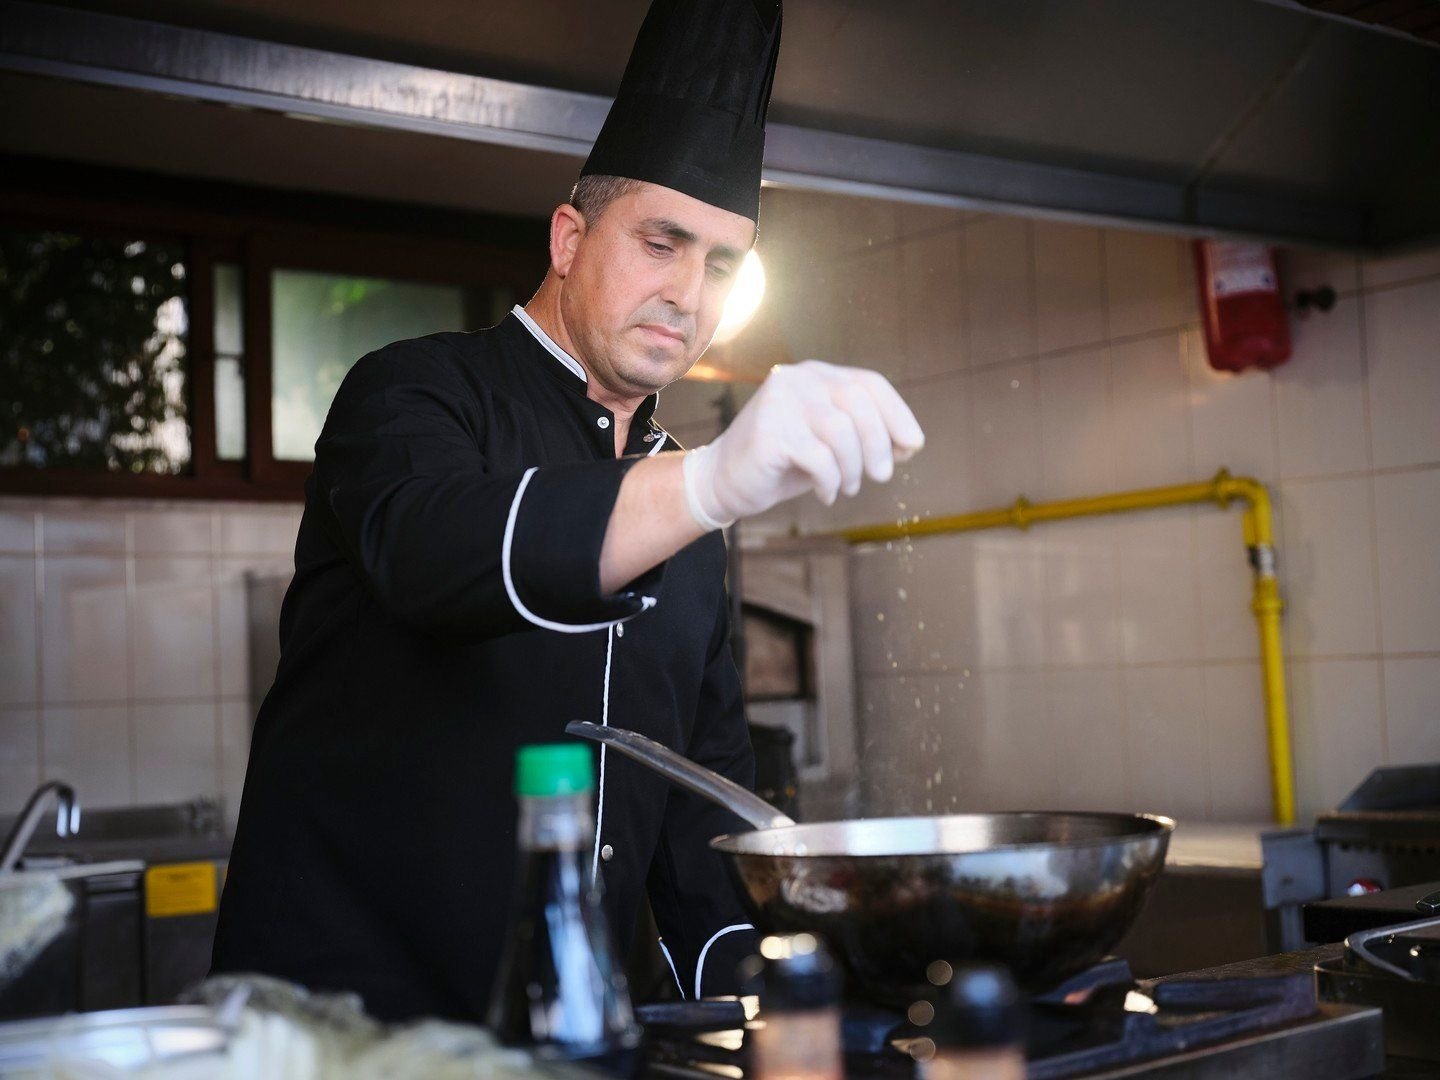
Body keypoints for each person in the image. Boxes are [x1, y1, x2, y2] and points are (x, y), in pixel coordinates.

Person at [211, 0, 923, 1022]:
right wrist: (711, 482)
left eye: (722, 265)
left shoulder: (685, 508)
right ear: (569, 238)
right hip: (348, 1028)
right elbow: (433, 553)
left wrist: (770, 1007)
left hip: (576, 1035)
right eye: (662, 243)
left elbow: (703, 792)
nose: (690, 294)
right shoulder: (411, 391)